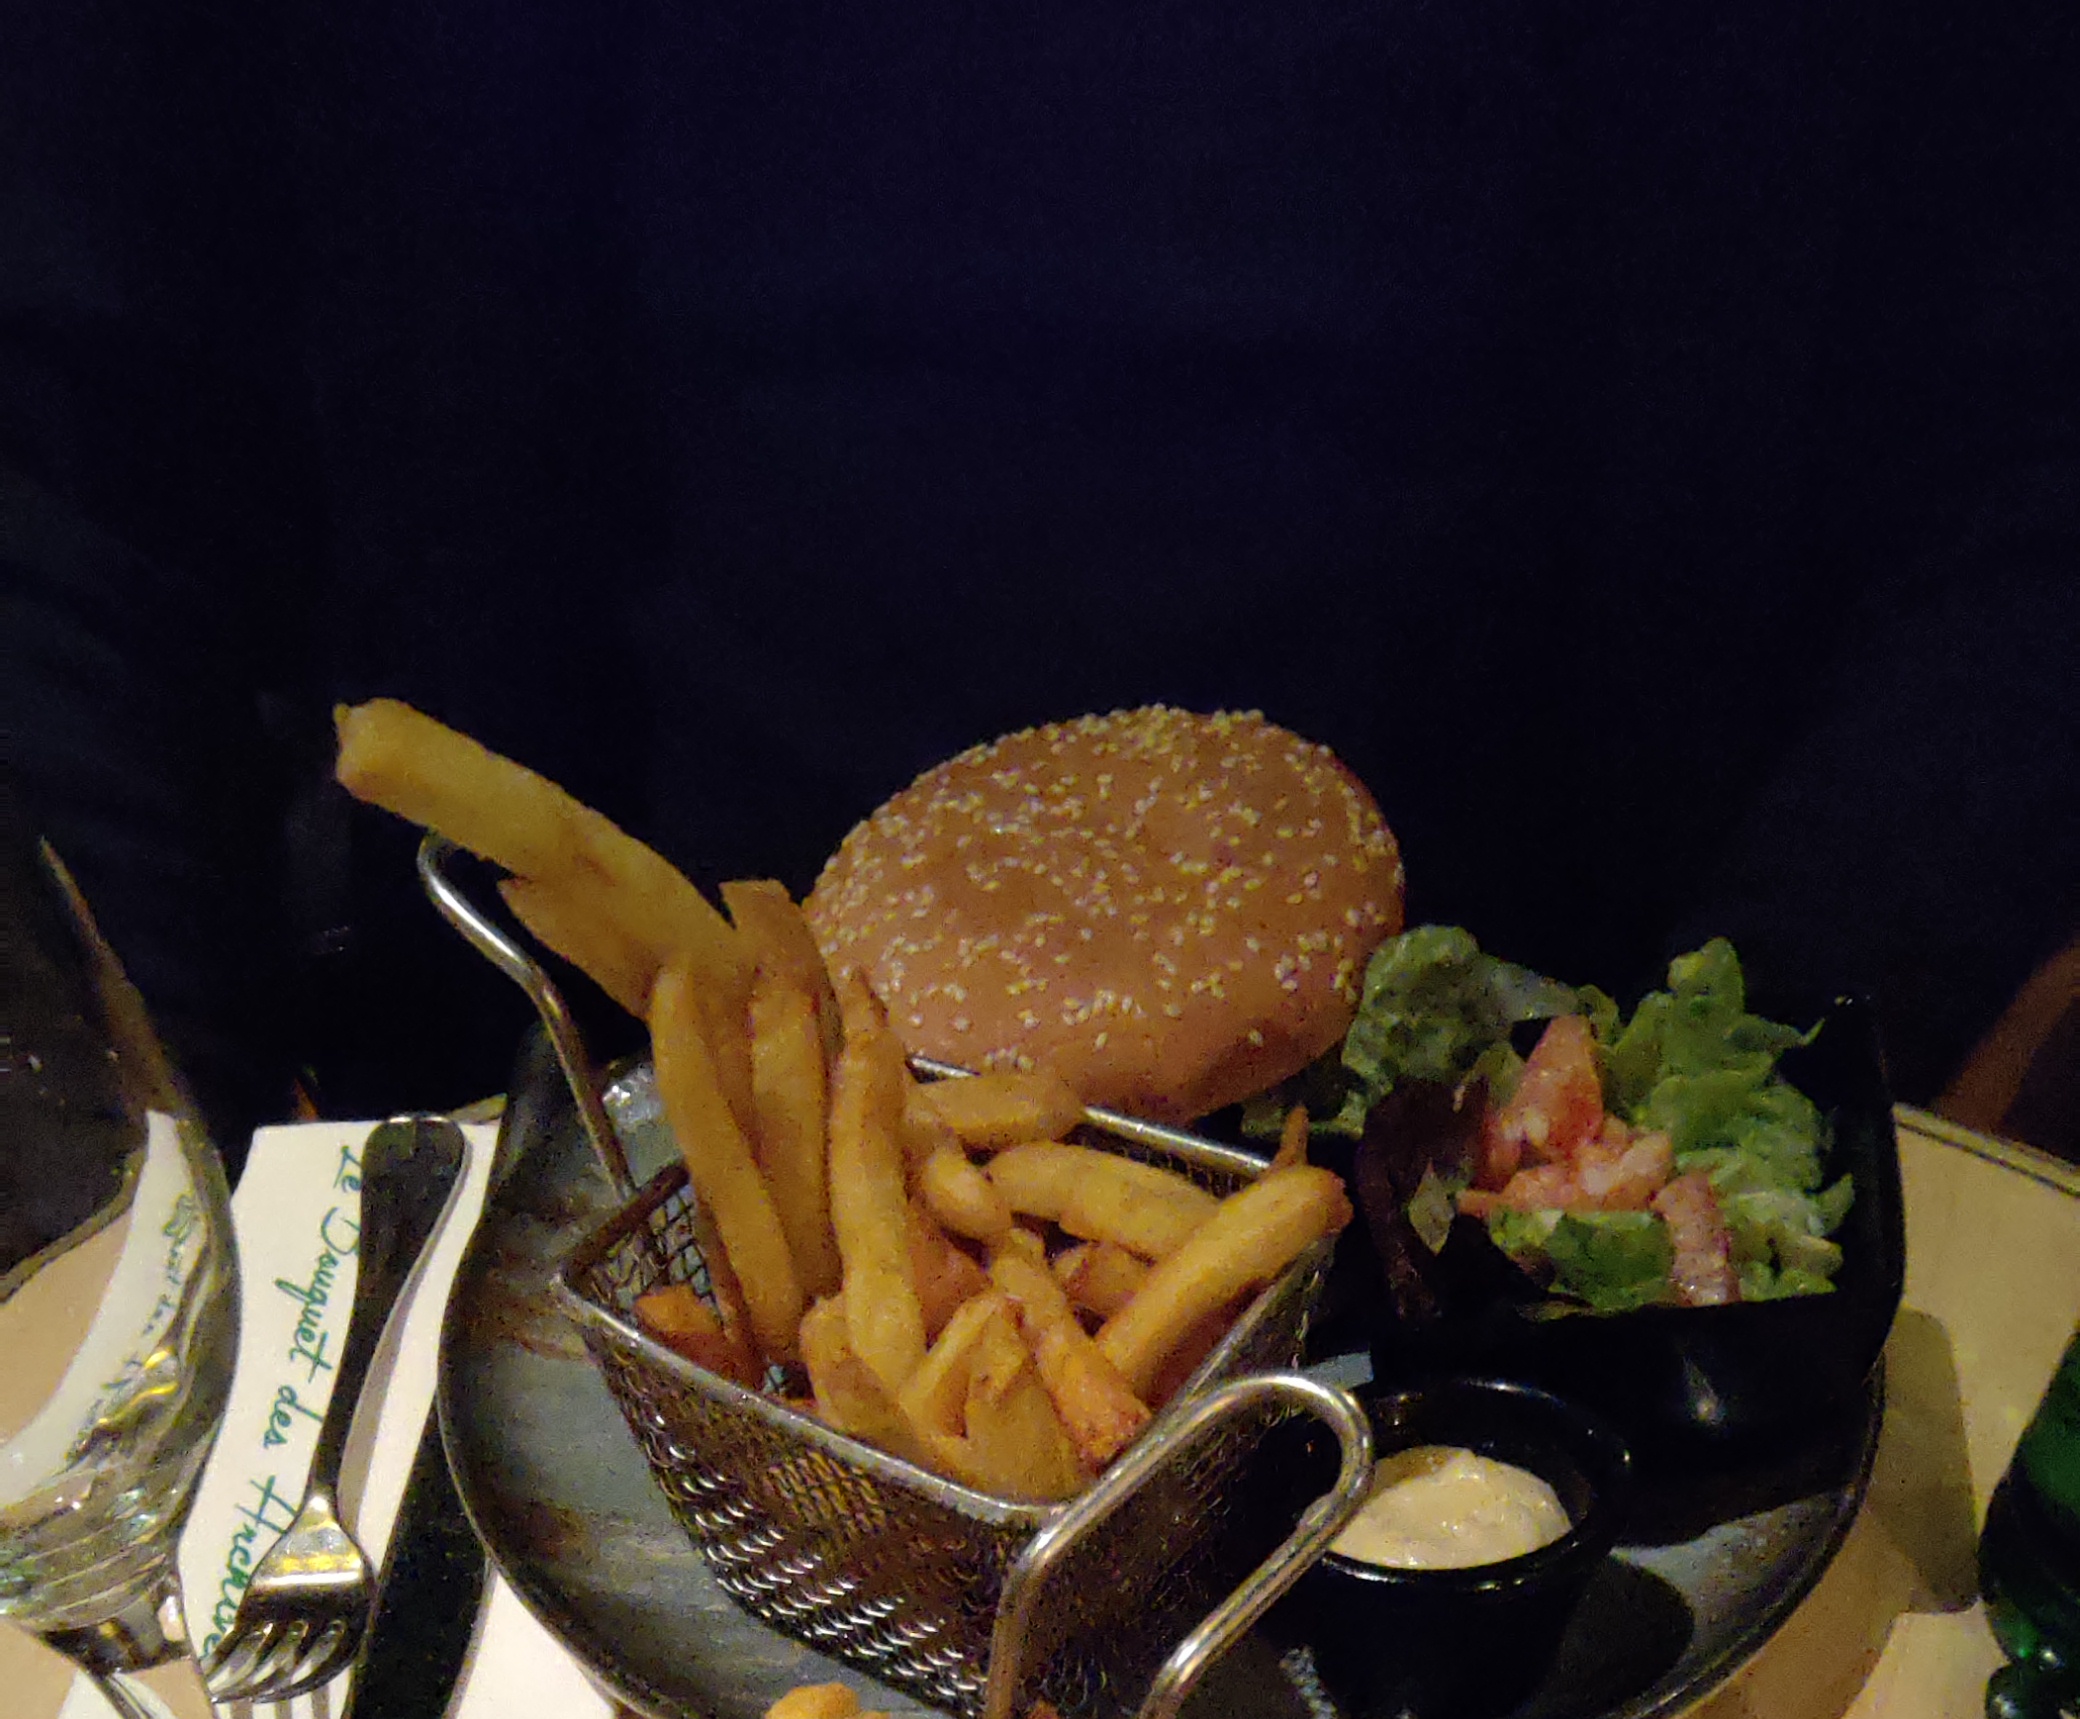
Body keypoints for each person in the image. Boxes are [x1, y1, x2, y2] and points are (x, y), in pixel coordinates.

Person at [7, 4, 2077, 1158]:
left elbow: (2018, 446)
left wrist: (1709, 1111)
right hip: (596, 1133)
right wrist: (152, 1197)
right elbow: (71, 448)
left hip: (1536, 1093)